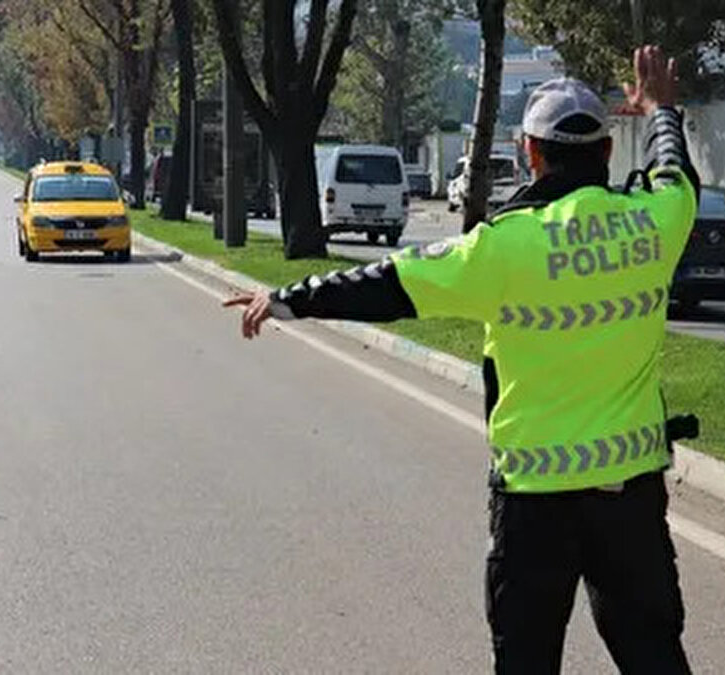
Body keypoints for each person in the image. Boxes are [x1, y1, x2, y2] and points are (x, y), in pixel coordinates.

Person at [224, 46, 699, 674]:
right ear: (607, 154)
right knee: (654, 658)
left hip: (536, 503)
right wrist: (661, 107)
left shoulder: (502, 247)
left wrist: (284, 300)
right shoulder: (655, 225)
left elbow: (386, 283)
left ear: (531, 152)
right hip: (631, 501)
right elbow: (675, 172)